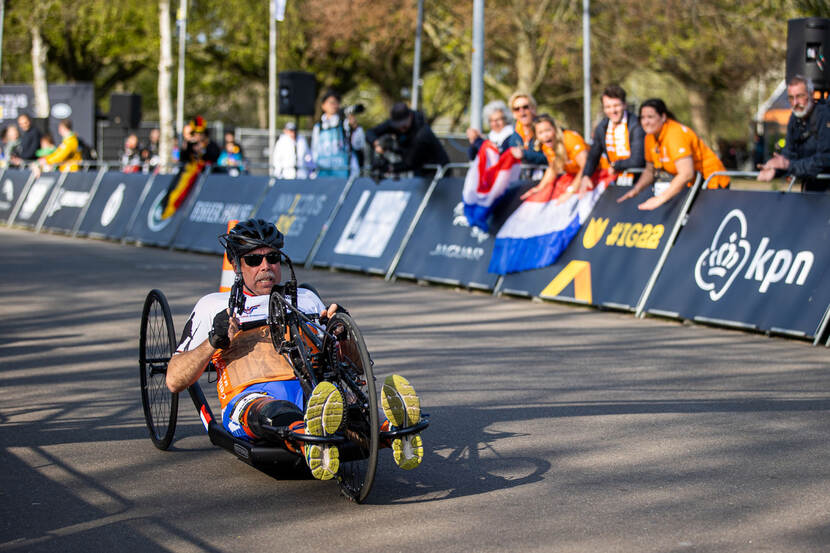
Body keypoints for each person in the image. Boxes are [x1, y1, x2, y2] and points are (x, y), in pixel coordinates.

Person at [166, 219, 425, 479]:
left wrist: (342, 335)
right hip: (250, 395)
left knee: (349, 406)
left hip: (313, 392)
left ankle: (392, 430)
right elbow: (175, 380)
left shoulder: (306, 299)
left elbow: (357, 367)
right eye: (254, 261)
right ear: (236, 265)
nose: (265, 266)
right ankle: (311, 441)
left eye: (273, 258)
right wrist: (213, 340)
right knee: (274, 411)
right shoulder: (214, 306)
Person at [617, 98, 729, 210]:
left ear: (663, 117)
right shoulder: (649, 137)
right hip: (693, 185)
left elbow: (686, 174)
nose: (646, 122)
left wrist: (660, 199)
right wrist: (636, 190)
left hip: (712, 183)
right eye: (642, 117)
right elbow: (650, 171)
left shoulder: (675, 134)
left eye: (650, 117)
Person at [757, 75, 830, 192]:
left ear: (811, 94)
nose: (795, 103)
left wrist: (788, 165)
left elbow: (825, 159)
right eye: (791, 98)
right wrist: (776, 168)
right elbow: (790, 155)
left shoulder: (825, 115)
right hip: (811, 192)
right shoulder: (795, 118)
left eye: (800, 96)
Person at [580, 84, 646, 193]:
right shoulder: (602, 127)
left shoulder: (636, 125)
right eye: (608, 107)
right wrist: (586, 175)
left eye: (616, 105)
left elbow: (638, 160)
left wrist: (616, 165)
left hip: (639, 181)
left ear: (624, 105)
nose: (613, 111)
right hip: (616, 180)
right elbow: (594, 154)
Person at [365, 101, 449, 176]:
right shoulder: (394, 123)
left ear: (410, 117)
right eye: (397, 126)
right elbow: (370, 132)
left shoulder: (422, 132)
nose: (401, 129)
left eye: (403, 125)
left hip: (437, 168)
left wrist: (390, 168)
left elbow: (410, 162)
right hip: (418, 167)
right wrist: (377, 144)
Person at [519, 114, 590, 200]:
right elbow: (553, 168)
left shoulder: (570, 139)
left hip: (595, 174)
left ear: (555, 129)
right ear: (536, 136)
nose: (545, 135)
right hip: (576, 176)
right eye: (540, 132)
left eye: (548, 130)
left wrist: (570, 191)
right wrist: (539, 188)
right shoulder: (546, 146)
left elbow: (586, 166)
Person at [311, 90, 359, 178]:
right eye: (331, 103)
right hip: (323, 172)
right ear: (323, 106)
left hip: (343, 172)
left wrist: (355, 127)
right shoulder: (318, 127)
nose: (334, 106)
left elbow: (358, 144)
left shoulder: (344, 123)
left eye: (336, 103)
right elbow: (315, 149)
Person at [507, 92, 548, 166]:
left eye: (525, 107)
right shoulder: (514, 137)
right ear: (514, 114)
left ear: (533, 109)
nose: (521, 111)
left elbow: (551, 158)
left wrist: (524, 154)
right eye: (517, 109)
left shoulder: (545, 129)